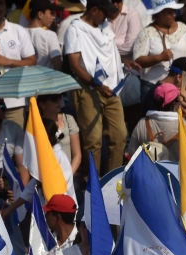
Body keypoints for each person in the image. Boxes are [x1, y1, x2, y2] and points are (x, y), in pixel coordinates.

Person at [65, 0, 126, 174]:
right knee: (93, 141)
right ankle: (92, 184)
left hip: (112, 89)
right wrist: (97, 85)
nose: (108, 16)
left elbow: (109, 53)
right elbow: (75, 65)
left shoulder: (104, 25)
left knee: (120, 136)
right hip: (88, 89)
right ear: (93, 10)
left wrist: (126, 63)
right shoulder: (75, 29)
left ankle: (114, 180)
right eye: (105, 12)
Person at [132, 0, 186, 101]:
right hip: (153, 87)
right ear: (158, 14)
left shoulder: (183, 28)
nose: (174, 14)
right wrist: (160, 57)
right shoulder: (147, 32)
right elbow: (138, 60)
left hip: (182, 87)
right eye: (169, 12)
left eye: (174, 11)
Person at [38, 93, 80, 176]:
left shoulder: (69, 119)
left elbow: (77, 155)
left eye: (60, 98)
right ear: (42, 104)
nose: (58, 102)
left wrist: (68, 177)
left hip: (69, 175)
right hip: (46, 176)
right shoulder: (37, 124)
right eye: (54, 99)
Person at [27, 0, 63, 70]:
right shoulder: (50, 35)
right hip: (47, 78)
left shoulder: (19, 32)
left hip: (26, 78)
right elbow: (57, 64)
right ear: (40, 14)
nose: (54, 17)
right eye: (51, 13)